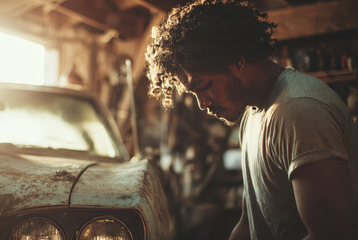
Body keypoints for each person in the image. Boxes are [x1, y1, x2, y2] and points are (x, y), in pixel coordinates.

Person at [145, 0, 358, 239]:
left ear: (237, 61)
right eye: (193, 93)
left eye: (204, 86)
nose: (202, 104)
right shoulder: (252, 114)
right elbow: (249, 225)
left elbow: (332, 234)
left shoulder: (298, 111)